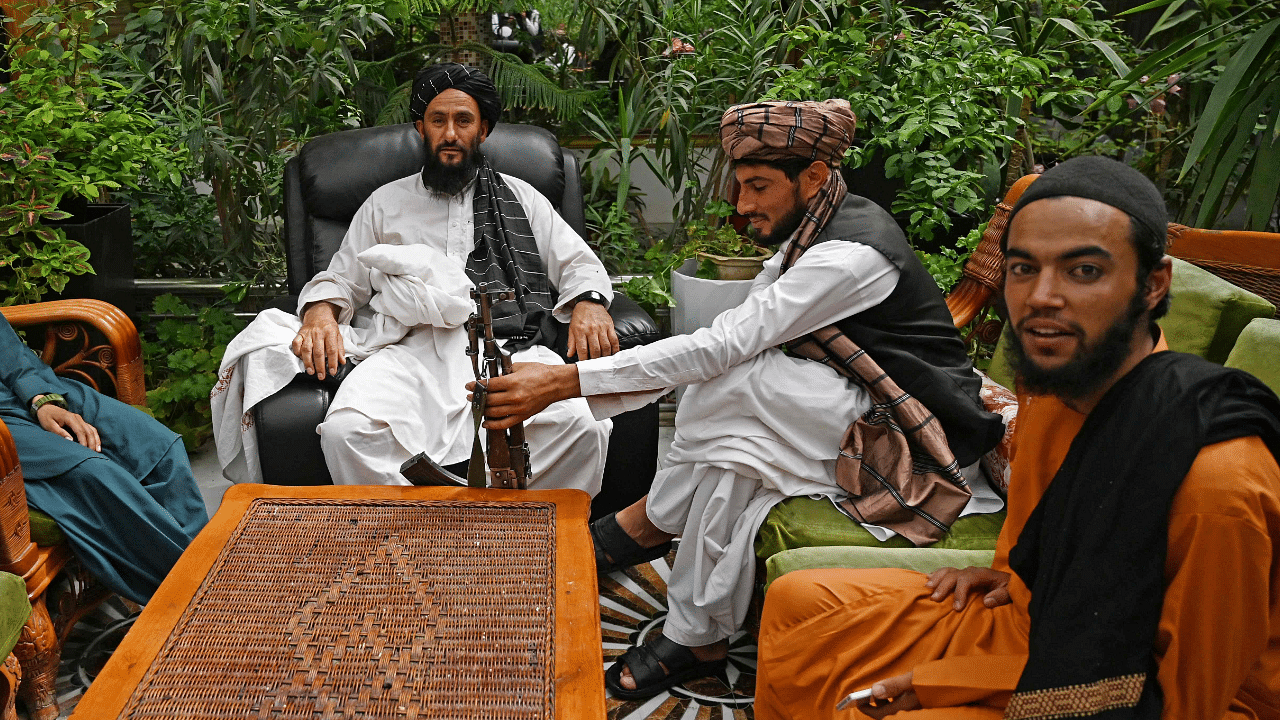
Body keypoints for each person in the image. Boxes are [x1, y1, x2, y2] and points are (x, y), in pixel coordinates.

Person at [476, 99, 1005, 699]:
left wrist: (564, 382)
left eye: (758, 186)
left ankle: (652, 534)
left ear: (813, 177)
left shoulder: (849, 255)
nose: (743, 205)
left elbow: (725, 344)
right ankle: (689, 620)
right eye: (740, 185)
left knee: (734, 388)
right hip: (853, 399)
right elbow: (735, 338)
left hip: (914, 433)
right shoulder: (814, 227)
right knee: (739, 446)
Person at [752, 156, 1280, 719]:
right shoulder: (1055, 387)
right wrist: (1010, 573)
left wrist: (944, 682)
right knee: (796, 607)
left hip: (1136, 688)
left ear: (1152, 286)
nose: (1040, 297)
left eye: (1083, 272)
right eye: (1024, 269)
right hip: (1037, 623)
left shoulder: (1220, 487)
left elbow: (1179, 701)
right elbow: (1039, 539)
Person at [290, 63, 617, 492]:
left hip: (507, 347)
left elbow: (578, 263)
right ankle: (409, 542)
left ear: (483, 130)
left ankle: (526, 541)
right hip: (409, 353)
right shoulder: (385, 203)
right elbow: (342, 279)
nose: (449, 134)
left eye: (463, 121)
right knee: (346, 434)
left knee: (583, 429)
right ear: (419, 128)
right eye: (437, 120)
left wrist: (589, 303)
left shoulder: (521, 197)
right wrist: (318, 314)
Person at [0, 314, 208, 605]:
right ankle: (200, 597)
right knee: (95, 474)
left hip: (23, 392)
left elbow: (7, 348)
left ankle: (204, 571)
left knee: (154, 443)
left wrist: (41, 399)